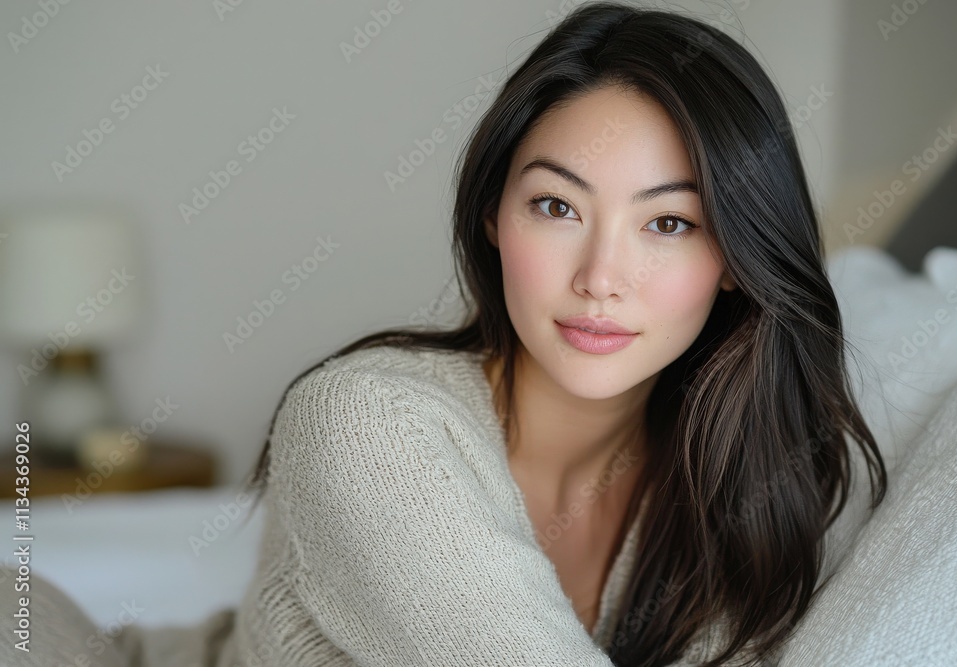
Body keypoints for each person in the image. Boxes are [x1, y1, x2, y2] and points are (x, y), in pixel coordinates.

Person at [0, 2, 888, 665]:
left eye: (669, 223)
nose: (601, 277)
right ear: (495, 217)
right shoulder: (365, 424)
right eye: (555, 205)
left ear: (735, 256)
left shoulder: (750, 485)